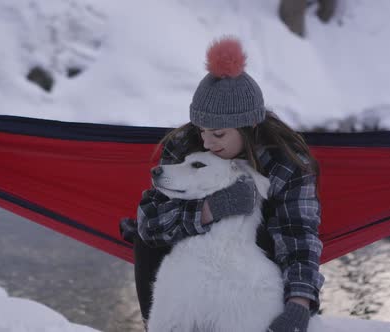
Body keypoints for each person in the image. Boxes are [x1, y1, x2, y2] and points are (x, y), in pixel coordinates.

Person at [119, 36, 324, 332]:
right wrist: (211, 210)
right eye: (202, 131)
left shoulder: (286, 162)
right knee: (146, 239)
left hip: (251, 269)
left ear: (249, 125)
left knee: (265, 233)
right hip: (192, 265)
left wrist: (299, 304)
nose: (206, 142)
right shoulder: (184, 145)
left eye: (217, 134)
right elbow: (149, 222)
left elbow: (298, 234)